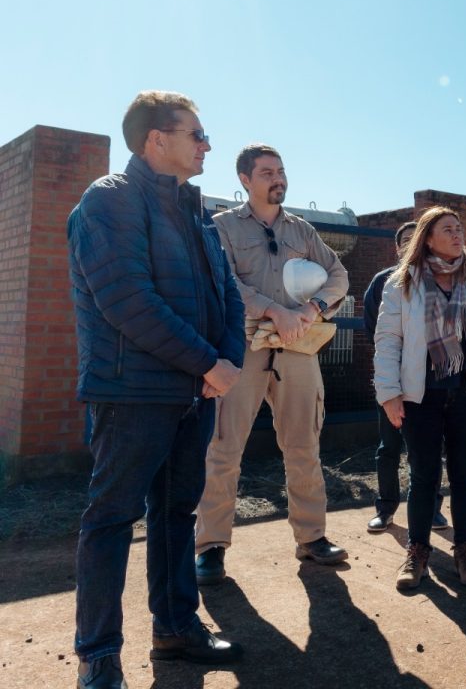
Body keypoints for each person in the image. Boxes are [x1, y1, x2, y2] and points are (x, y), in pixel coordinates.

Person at [69, 91, 246, 689]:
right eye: (196, 133)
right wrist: (207, 363)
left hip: (193, 395)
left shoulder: (198, 214)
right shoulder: (109, 200)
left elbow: (230, 297)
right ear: (156, 140)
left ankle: (175, 628)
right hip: (131, 394)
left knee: (176, 513)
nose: (207, 145)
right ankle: (98, 655)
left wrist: (227, 360)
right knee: (112, 518)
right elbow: (126, 300)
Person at [194, 144, 350, 584]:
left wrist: (314, 308)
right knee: (223, 449)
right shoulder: (221, 226)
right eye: (267, 173)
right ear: (245, 179)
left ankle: (312, 537)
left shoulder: (302, 230)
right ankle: (210, 546)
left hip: (297, 348)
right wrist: (272, 309)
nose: (277, 179)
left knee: (304, 445)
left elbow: (338, 276)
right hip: (242, 345)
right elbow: (222, 280)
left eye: (280, 171)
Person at [374, 206, 466, 590]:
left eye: (459, 228)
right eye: (447, 229)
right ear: (428, 238)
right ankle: (417, 551)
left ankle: (465, 549)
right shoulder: (403, 281)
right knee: (423, 476)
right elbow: (388, 340)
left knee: (464, 475)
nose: (457, 234)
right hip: (421, 396)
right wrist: (388, 392)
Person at [363, 221, 448, 533]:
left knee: (429, 448)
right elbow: (376, 331)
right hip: (392, 383)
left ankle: (433, 509)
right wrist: (390, 378)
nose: (412, 245)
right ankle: (385, 509)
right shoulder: (382, 282)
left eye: (418, 239)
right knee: (388, 447)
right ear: (397, 248)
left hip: (432, 383)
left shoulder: (440, 280)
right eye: (405, 241)